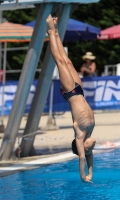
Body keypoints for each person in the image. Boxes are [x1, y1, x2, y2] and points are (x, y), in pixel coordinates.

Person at [46, 15, 96, 183]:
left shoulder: (80, 135)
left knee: (60, 61)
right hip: (79, 90)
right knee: (67, 60)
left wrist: (83, 177)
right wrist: (91, 174)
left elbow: (83, 158)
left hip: (70, 92)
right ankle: (57, 32)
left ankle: (50, 32)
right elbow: (90, 160)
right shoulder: (89, 132)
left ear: (83, 147)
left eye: (89, 149)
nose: (92, 148)